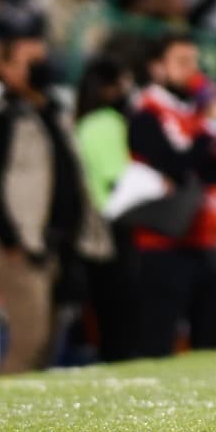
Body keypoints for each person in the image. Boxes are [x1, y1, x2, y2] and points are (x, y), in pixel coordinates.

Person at [0, 17, 110, 373]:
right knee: (29, 340)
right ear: (7, 70)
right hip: (20, 245)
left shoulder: (54, 113)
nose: (39, 69)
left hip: (56, 243)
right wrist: (10, 239)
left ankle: (27, 418)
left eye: (41, 60)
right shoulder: (2, 121)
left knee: (49, 341)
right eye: (29, 63)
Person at [130, 33, 216, 358]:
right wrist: (207, 136)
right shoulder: (147, 114)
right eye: (181, 62)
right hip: (163, 244)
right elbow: (177, 166)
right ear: (157, 68)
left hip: (206, 240)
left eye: (194, 62)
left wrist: (210, 135)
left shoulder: (194, 114)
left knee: (211, 346)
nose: (192, 71)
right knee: (158, 343)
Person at [74, 55, 140, 362]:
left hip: (93, 229)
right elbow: (117, 179)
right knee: (122, 321)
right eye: (125, 82)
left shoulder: (84, 122)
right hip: (117, 226)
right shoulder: (108, 122)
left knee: (105, 318)